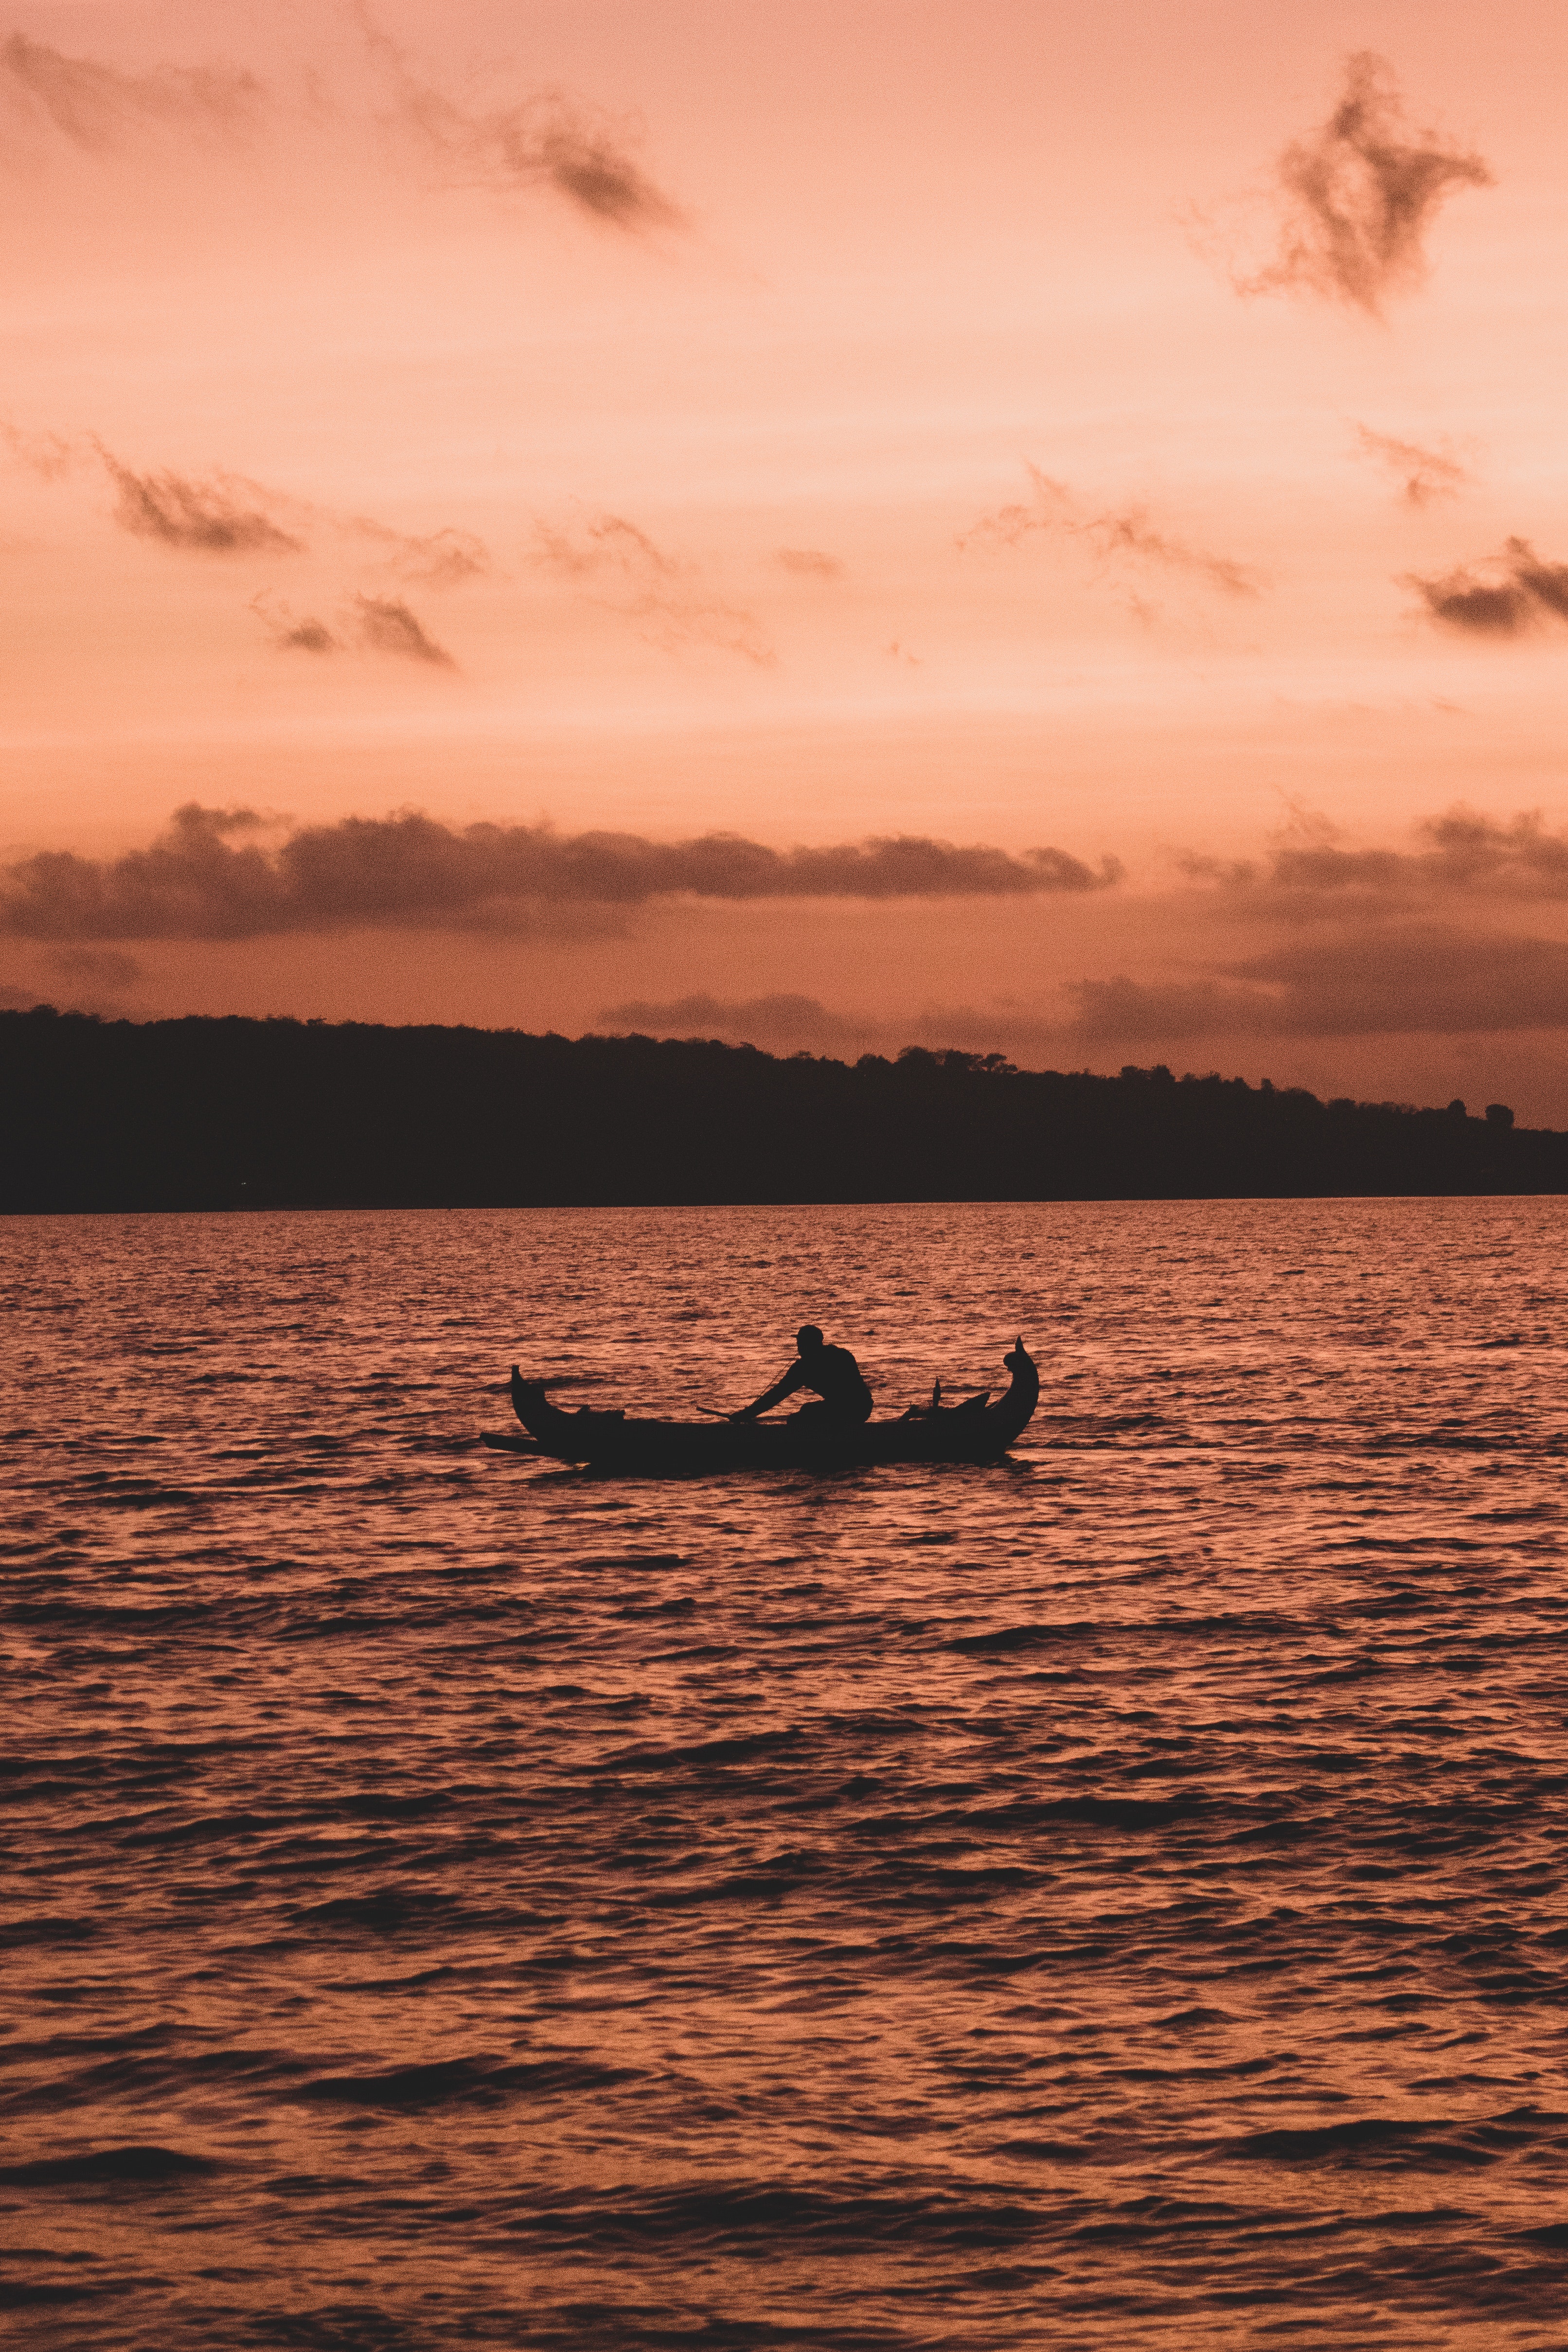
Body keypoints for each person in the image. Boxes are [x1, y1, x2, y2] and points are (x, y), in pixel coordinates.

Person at [732, 1325, 873, 1430]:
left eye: (801, 1344)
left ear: (810, 1344)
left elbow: (777, 1395)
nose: (799, 1348)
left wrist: (746, 1414)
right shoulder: (843, 1355)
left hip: (849, 1410)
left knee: (799, 1417)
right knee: (807, 1411)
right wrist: (747, 1414)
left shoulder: (804, 1368)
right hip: (864, 1408)